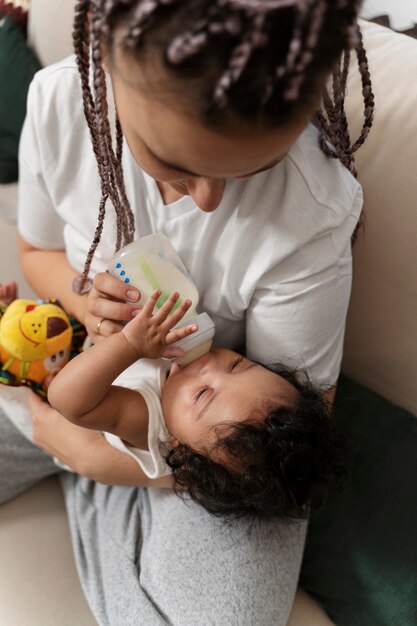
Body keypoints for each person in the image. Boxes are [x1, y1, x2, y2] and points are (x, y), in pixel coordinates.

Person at [0, 1, 374, 623]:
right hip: (69, 367)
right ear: (111, 71)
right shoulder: (61, 102)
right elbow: (35, 252)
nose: (207, 201)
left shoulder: (314, 209)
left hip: (202, 448)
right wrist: (84, 304)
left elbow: (282, 426)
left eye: (255, 165)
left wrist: (105, 459)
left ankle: (90, 487)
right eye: (174, 162)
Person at [48, 288, 344, 520]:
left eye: (203, 394)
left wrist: (130, 345)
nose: (209, 364)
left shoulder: (148, 419)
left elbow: (66, 399)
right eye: (238, 364)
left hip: (54, 404)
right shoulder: (196, 414)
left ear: (180, 449)